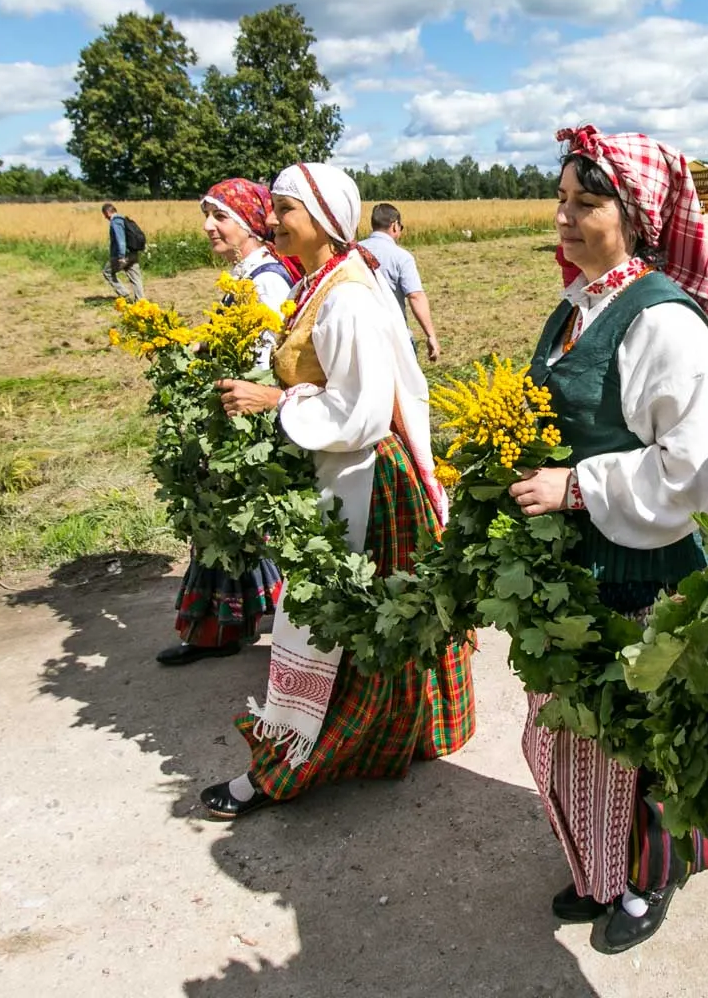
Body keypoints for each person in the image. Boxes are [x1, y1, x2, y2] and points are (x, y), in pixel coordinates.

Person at [509, 124, 708, 956]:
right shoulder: (580, 303)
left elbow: (700, 467)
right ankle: (602, 865)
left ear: (638, 216)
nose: (565, 218)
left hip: (642, 560)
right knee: (581, 727)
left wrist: (576, 485)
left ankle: (652, 875)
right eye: (563, 201)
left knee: (642, 734)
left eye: (587, 203)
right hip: (582, 556)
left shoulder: (660, 321)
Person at [200, 162, 475, 819]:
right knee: (367, 621)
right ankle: (392, 733)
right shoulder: (323, 282)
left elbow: (361, 412)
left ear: (324, 220)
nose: (273, 221)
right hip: (347, 470)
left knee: (323, 618)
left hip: (364, 478)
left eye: (286, 209)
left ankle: (289, 763)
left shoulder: (346, 296)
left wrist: (276, 399)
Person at [156, 179, 300, 666]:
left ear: (250, 223)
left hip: (251, 421)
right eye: (207, 215)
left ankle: (231, 629)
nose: (208, 226)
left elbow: (263, 359)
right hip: (233, 415)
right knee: (233, 529)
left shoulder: (267, 281)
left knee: (236, 526)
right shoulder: (245, 276)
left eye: (220, 217)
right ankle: (229, 626)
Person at [359, 203, 442, 363]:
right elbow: (416, 296)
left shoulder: (353, 253)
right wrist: (431, 335)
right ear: (395, 226)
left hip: (360, 337)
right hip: (395, 337)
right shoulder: (401, 257)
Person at [101, 202, 145, 300]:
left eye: (104, 214)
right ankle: (141, 300)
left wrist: (121, 257)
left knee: (107, 272)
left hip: (123, 255)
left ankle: (123, 293)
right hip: (133, 253)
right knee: (136, 278)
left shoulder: (115, 222)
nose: (105, 217)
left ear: (107, 212)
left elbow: (120, 240)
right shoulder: (125, 220)